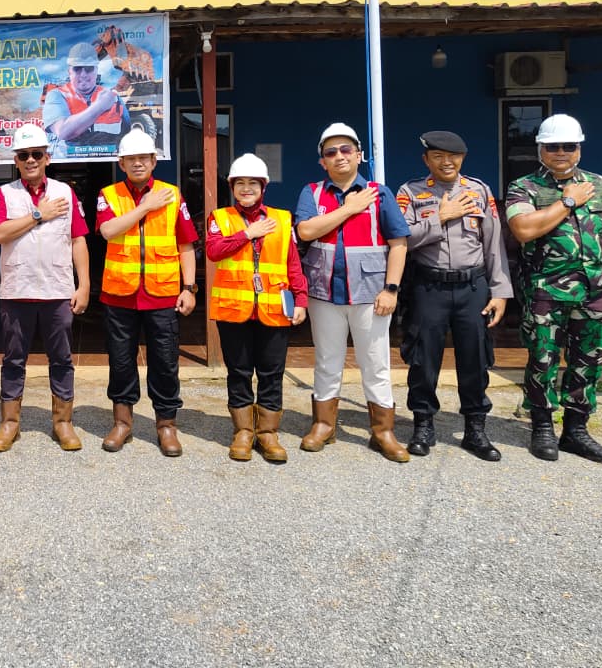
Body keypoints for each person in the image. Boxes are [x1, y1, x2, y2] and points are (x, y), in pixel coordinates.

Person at [505, 114, 602, 464]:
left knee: (588, 361)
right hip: (546, 291)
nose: (561, 152)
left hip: (596, 290)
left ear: (579, 148)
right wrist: (568, 201)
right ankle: (542, 427)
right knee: (542, 359)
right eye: (553, 146)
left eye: (569, 145)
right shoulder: (525, 187)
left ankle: (576, 429)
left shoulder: (600, 184)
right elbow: (523, 230)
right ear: (540, 149)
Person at [294, 122, 411, 463]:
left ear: (359, 155)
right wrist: (349, 207)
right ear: (322, 162)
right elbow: (305, 230)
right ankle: (323, 425)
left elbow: (399, 244)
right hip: (324, 293)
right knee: (326, 361)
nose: (339, 156)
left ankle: (383, 431)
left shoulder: (380, 193)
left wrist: (391, 288)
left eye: (346, 150)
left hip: (370, 294)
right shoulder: (313, 193)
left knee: (375, 364)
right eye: (331, 152)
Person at [396, 130, 513, 461]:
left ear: (462, 158)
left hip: (472, 288)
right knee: (423, 359)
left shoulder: (479, 191)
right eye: (438, 157)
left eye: (453, 157)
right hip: (428, 287)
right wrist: (440, 217)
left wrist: (501, 291)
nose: (446, 162)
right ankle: (423, 425)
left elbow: (493, 244)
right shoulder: (411, 192)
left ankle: (475, 428)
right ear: (426, 160)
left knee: (475, 358)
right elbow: (402, 239)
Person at [0, 123, 91, 452]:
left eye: (36, 154)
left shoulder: (65, 193)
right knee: (13, 359)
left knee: (61, 359)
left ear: (47, 157)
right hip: (17, 291)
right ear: (16, 160)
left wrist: (84, 283)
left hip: (57, 291)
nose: (30, 160)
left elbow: (78, 240)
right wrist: (37, 214)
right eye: (23, 155)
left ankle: (62, 423)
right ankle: (10, 423)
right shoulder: (4, 194)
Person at [96, 127, 199, 457]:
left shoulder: (172, 195)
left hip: (164, 294)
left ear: (154, 161)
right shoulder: (108, 195)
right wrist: (145, 206)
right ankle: (122, 423)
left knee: (165, 362)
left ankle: (166, 425)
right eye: (131, 159)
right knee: (121, 361)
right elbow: (108, 231)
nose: (138, 163)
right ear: (121, 163)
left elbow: (186, 245)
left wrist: (189, 288)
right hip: (119, 295)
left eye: (144, 158)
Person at [206, 152, 308, 463]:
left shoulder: (282, 219)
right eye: (240, 183)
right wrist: (247, 234)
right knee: (238, 372)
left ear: (263, 187)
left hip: (274, 308)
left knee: (271, 372)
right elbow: (213, 251)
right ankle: (242, 432)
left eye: (253, 183)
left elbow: (292, 263)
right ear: (232, 187)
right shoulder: (219, 218)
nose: (247, 188)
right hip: (233, 309)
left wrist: (300, 299)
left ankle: (267, 433)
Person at [43, 41, 131, 153]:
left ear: (96, 70)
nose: (83, 74)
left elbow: (127, 135)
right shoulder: (57, 95)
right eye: (77, 68)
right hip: (66, 166)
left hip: (107, 165)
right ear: (69, 71)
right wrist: (99, 106)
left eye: (89, 68)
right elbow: (63, 131)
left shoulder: (113, 98)